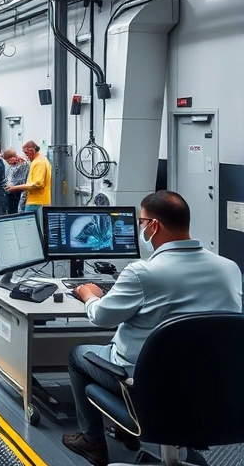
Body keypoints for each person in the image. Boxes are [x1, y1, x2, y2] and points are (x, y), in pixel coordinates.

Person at [62, 192, 243, 466]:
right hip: (214, 387)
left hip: (148, 386)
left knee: (79, 356)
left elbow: (101, 317)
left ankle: (92, 441)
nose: (140, 228)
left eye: (141, 222)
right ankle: (128, 432)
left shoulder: (142, 272)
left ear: (154, 226)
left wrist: (90, 295)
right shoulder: (228, 268)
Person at [5, 140, 51, 213]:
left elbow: (38, 183)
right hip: (34, 201)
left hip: (37, 202)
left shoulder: (40, 162)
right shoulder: (35, 162)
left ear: (31, 150)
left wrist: (15, 188)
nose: (25, 155)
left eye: (26, 153)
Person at [1, 148, 29, 213]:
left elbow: (23, 179)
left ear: (14, 157)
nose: (9, 163)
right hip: (11, 194)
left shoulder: (24, 164)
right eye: (7, 161)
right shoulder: (12, 167)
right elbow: (8, 178)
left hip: (18, 193)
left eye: (10, 160)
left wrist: (12, 186)